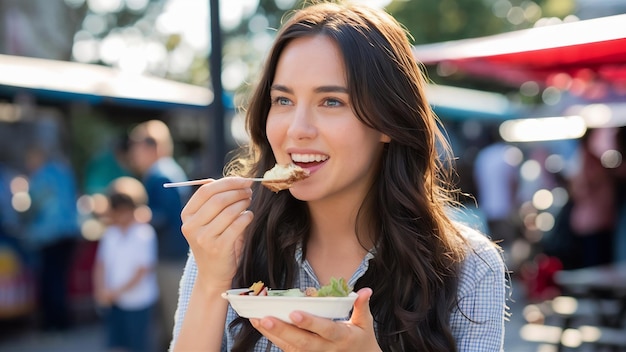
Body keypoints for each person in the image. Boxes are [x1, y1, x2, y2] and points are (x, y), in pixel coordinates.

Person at [172, 2, 507, 351]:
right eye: (283, 100)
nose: (297, 130)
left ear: (387, 121)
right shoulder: (226, 243)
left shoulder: (468, 266)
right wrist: (212, 282)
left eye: (331, 102)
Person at [127, 119, 190, 348]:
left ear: (151, 147)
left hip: (170, 257)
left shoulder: (160, 175)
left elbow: (164, 216)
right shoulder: (169, 170)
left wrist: (135, 215)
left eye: (136, 147)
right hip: (174, 255)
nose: (134, 154)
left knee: (172, 319)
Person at [93, 176, 158, 352]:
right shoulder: (110, 234)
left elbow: (142, 270)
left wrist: (114, 292)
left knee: (139, 345)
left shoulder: (143, 234)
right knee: (117, 345)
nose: (122, 215)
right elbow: (101, 264)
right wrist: (101, 290)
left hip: (139, 302)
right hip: (115, 302)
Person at [23, 144, 80, 332]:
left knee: (51, 280)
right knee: (60, 279)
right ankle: (62, 320)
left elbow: (32, 208)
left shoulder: (41, 177)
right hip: (69, 233)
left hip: (50, 236)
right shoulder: (63, 172)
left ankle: (54, 322)